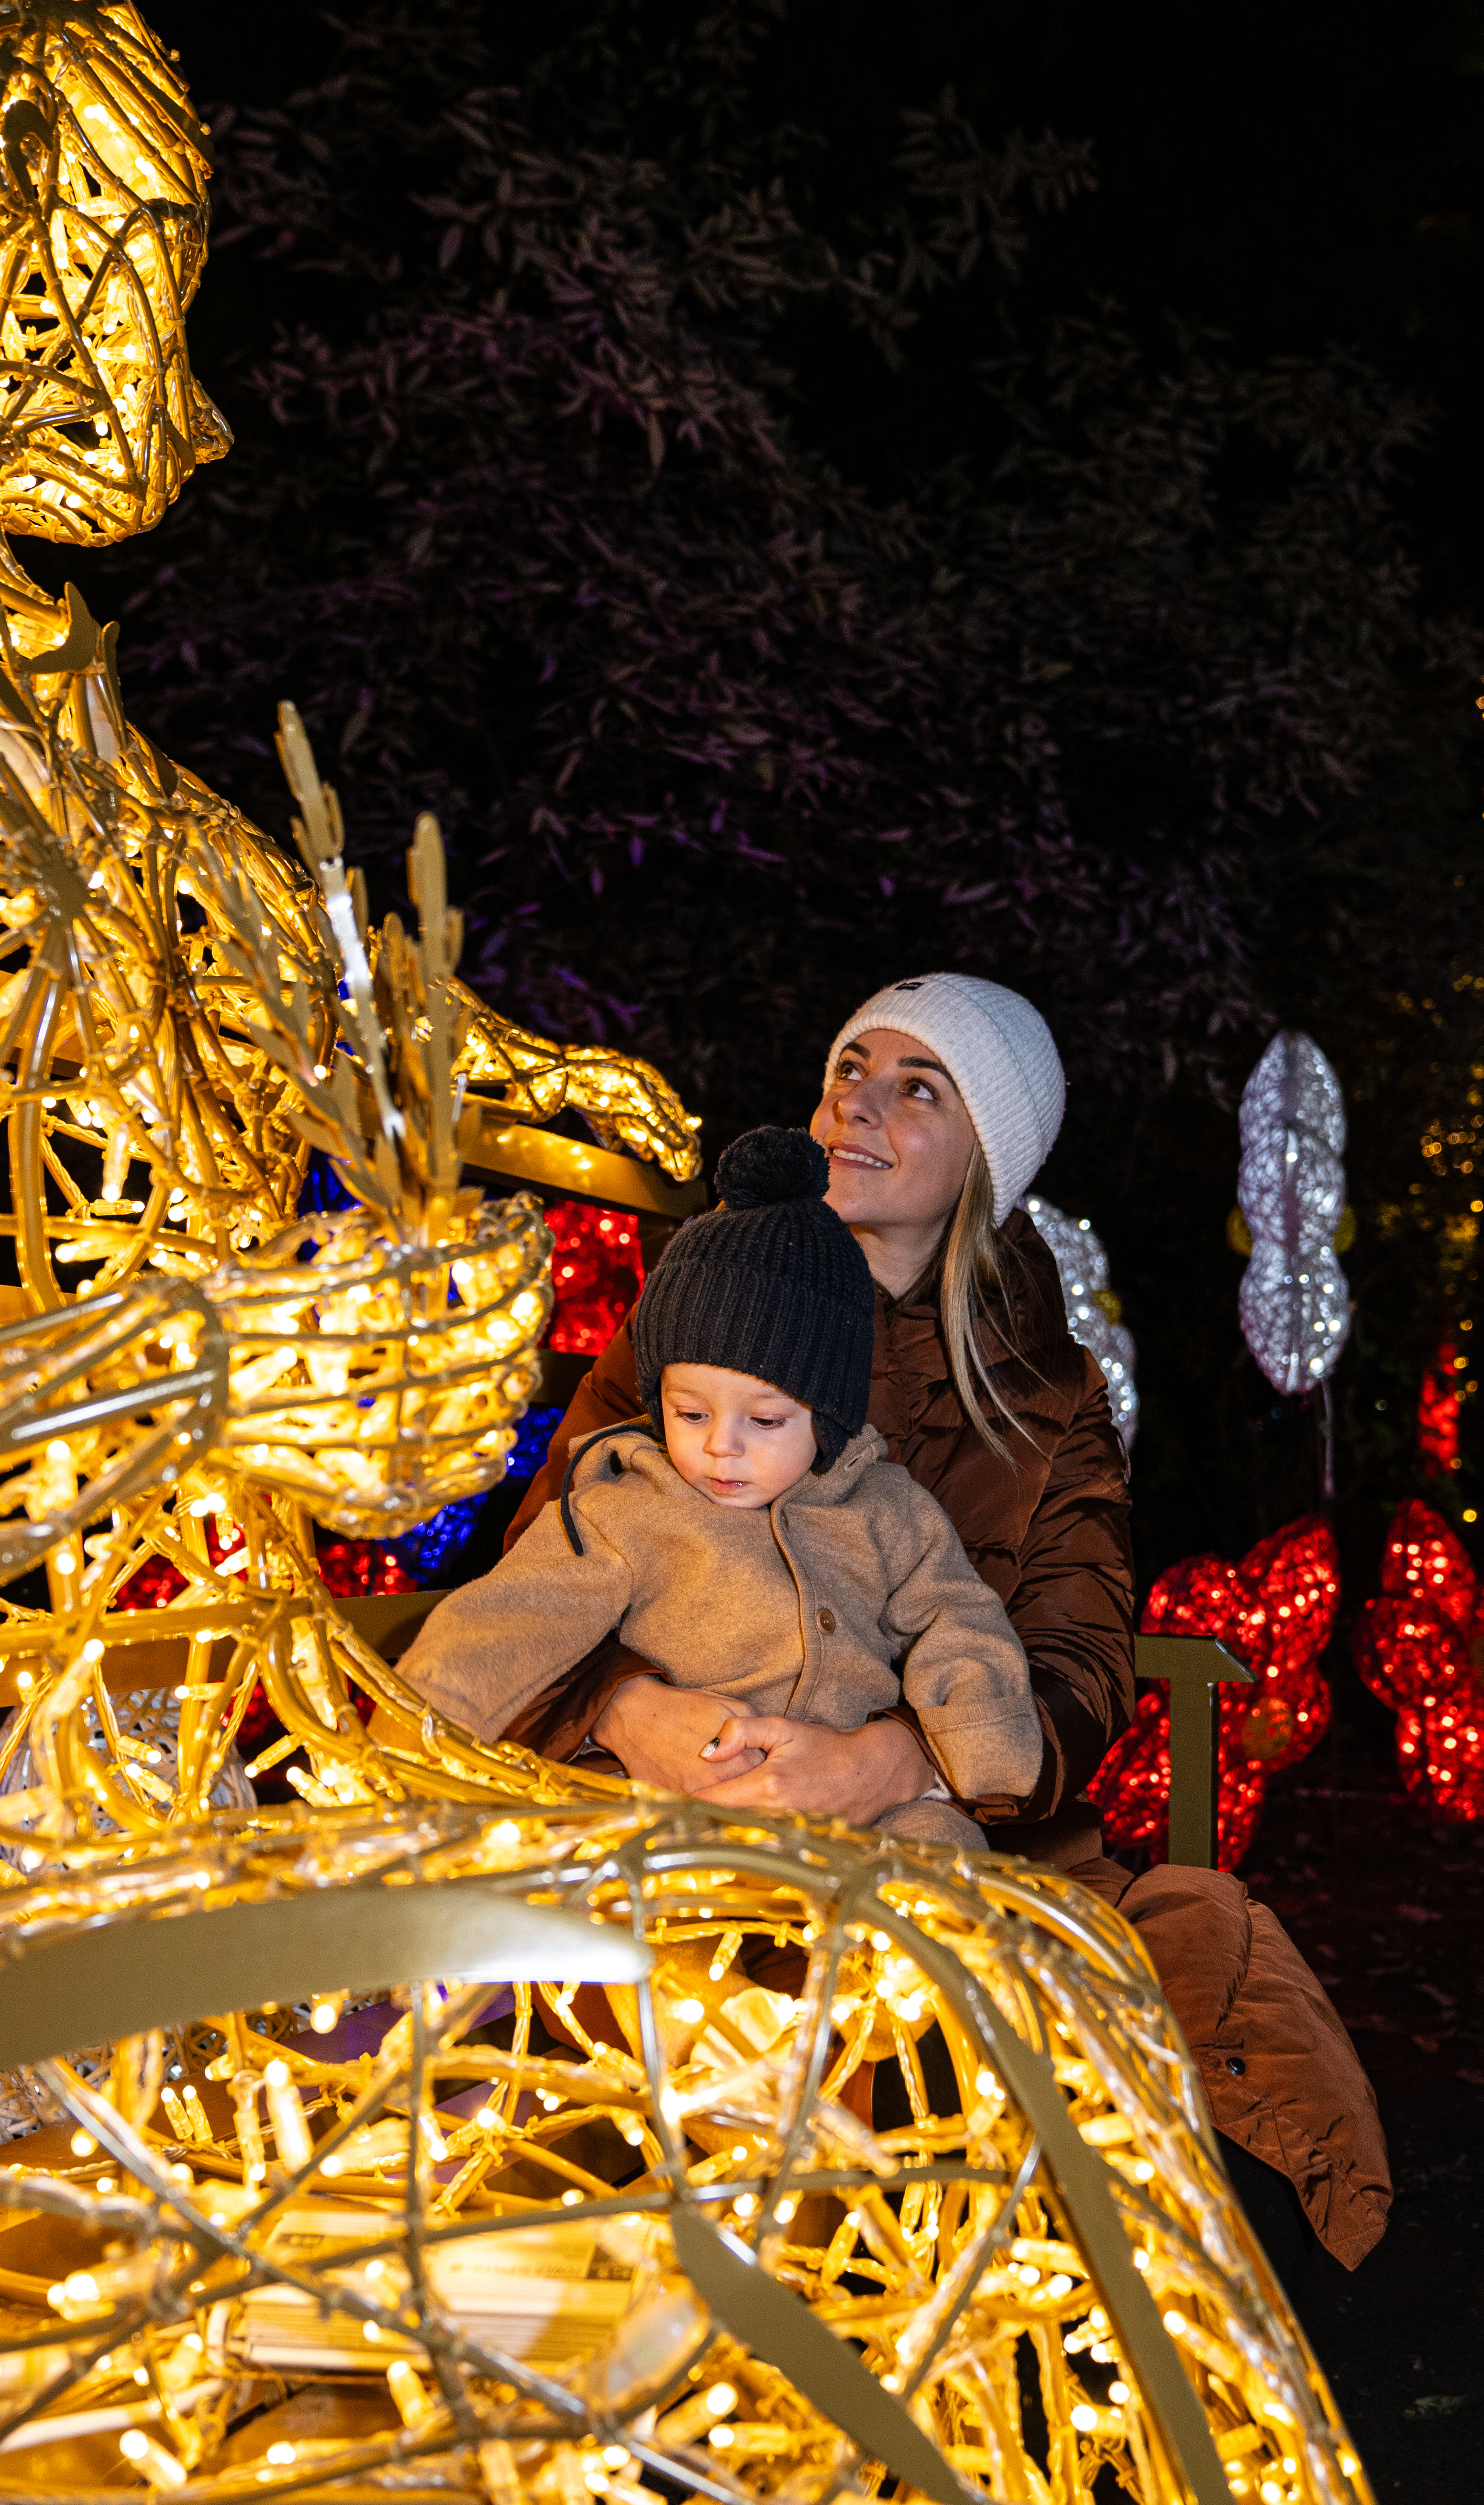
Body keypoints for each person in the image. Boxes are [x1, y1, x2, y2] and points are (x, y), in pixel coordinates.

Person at [494, 973, 1391, 2284]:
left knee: (1184, 1973)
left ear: (990, 1154)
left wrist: (897, 1756)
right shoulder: (703, 1301)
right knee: (806, 2004)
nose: (860, 1099)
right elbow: (547, 1558)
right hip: (668, 1807)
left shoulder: (1047, 1392)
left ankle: (1097, 2336)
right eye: (851, 1065)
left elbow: (1081, 1653)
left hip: (950, 1823)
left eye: (921, 1086)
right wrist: (633, 1711)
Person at [398, 1128, 1042, 1847]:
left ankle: (898, 1950)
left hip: (860, 1811)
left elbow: (960, 1618)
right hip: (681, 1799)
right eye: (690, 1412)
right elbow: (511, 1616)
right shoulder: (626, 1510)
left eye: (766, 1420)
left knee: (946, 1858)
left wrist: (985, 1743)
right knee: (602, 1845)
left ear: (825, 1418)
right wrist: (415, 1730)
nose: (719, 1445)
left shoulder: (889, 1513)